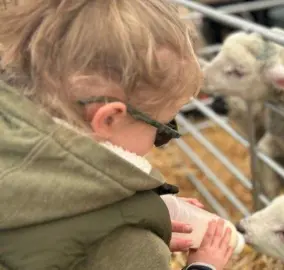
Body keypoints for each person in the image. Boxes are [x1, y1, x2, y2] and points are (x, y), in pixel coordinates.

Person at [0, 1, 234, 270]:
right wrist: (203, 267)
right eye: (163, 127)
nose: (162, 138)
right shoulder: (130, 246)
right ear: (110, 118)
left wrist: (143, 212)